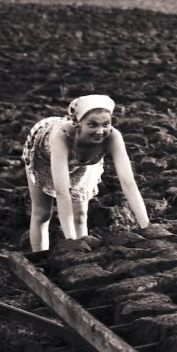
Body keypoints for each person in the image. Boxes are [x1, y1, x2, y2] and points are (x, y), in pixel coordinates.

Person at [22, 95, 149, 252]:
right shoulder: (62, 136)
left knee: (80, 214)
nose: (100, 131)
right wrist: (70, 241)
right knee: (42, 213)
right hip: (45, 157)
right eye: (92, 125)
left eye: (106, 124)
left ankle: (84, 253)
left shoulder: (113, 136)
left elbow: (128, 183)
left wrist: (147, 227)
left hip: (84, 160)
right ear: (78, 123)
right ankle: (38, 256)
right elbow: (62, 192)